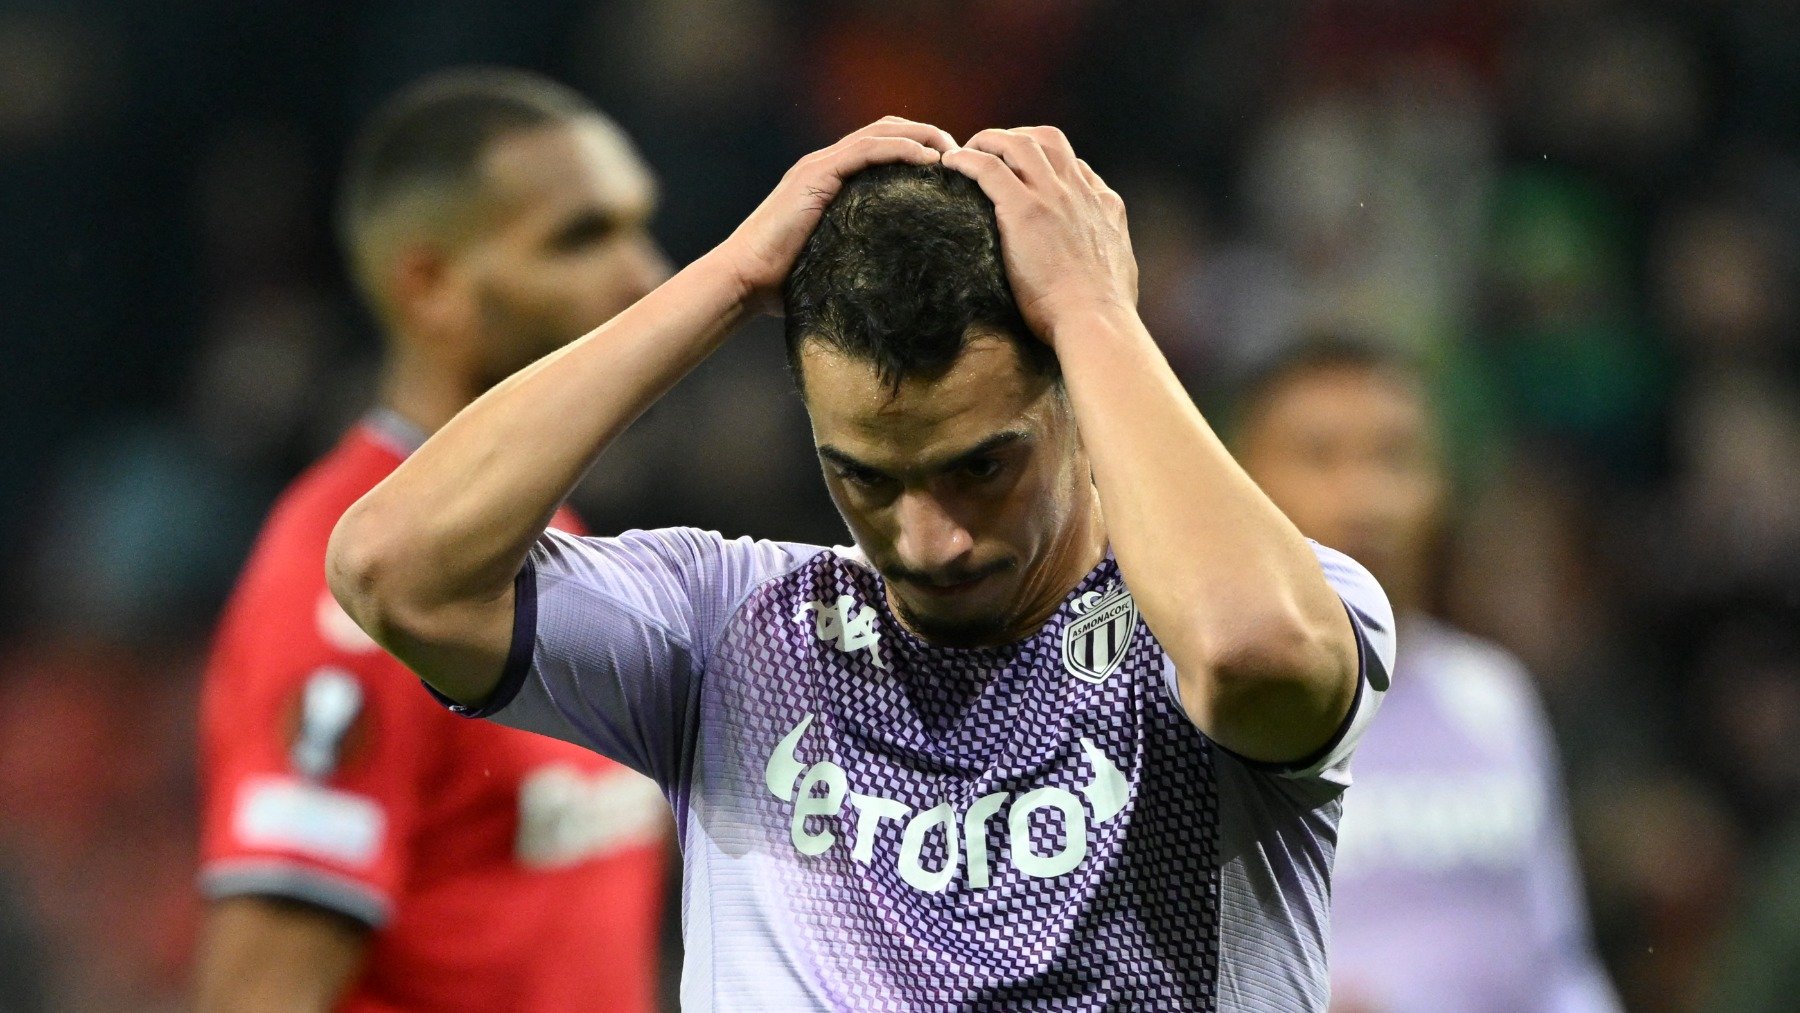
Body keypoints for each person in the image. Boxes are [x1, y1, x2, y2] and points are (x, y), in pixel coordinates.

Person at [326, 117, 1396, 1011]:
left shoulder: (1271, 605)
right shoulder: (726, 629)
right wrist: (735, 277)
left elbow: (1253, 652)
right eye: (870, 478)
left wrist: (1094, 309)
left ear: (1077, 399)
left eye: (982, 466)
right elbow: (392, 567)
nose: (932, 540)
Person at [195, 68, 671, 1013]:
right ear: (431, 284)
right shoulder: (352, 593)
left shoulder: (554, 541)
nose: (646, 278)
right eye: (583, 238)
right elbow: (263, 984)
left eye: (637, 223)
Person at [1232, 336, 1620, 1012]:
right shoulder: (1202, 710)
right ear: (1239, 480)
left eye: (1395, 456)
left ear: (1441, 484)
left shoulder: (1494, 695)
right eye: (1319, 456)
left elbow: (1559, 962)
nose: (1364, 498)